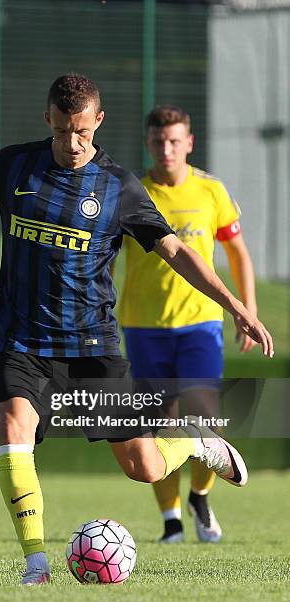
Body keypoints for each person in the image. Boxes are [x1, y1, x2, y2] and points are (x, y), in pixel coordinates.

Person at [0, 75, 273, 585]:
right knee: (12, 428)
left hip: (92, 344)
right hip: (23, 341)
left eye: (80, 132)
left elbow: (177, 252)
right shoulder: (16, 165)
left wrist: (235, 304)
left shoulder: (118, 186)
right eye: (61, 131)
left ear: (98, 122)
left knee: (143, 466)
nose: (71, 143)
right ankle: (36, 564)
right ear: (48, 121)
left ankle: (190, 440)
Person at [117, 105, 259, 544]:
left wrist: (247, 309)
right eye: (158, 141)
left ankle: (200, 496)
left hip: (200, 324)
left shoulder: (211, 191)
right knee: (160, 425)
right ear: (148, 143)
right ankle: (171, 521)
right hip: (143, 326)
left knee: (205, 420)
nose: (166, 149)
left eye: (175, 141)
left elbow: (237, 253)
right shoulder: (130, 192)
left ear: (189, 143)